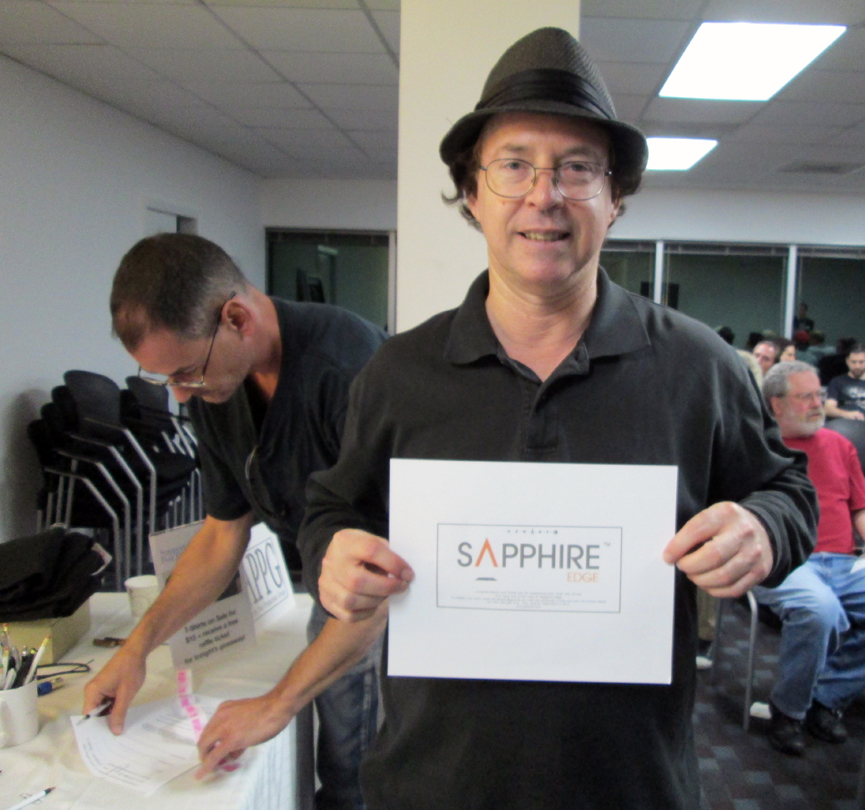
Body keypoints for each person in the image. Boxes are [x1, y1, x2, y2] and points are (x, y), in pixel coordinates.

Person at [298, 27, 817, 810]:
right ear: (473, 194)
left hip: (631, 785)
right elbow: (333, 507)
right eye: (514, 165)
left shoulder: (699, 365)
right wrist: (330, 553)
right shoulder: (398, 373)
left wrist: (764, 527)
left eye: (577, 168)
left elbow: (790, 493)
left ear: (615, 199)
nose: (545, 195)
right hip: (434, 782)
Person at [84, 233, 387, 810]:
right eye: (166, 381)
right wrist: (136, 649)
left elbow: (386, 576)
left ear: (238, 319)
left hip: (382, 599)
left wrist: (276, 704)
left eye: (185, 374)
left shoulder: (349, 371)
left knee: (355, 775)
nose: (180, 395)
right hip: (331, 583)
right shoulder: (216, 384)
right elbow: (223, 532)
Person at [756, 362, 865, 756]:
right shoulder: (758, 448)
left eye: (819, 395)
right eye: (806, 397)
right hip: (785, 560)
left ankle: (826, 697)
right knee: (820, 611)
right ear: (776, 404)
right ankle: (789, 710)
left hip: (845, 561)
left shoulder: (839, 445)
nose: (818, 404)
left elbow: (862, 504)